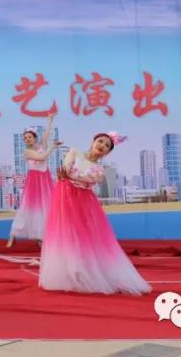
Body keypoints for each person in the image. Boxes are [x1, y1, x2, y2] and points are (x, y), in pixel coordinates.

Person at [38, 132, 150, 295]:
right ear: (93, 141)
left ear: (107, 152)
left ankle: (85, 273)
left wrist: (67, 175)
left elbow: (82, 178)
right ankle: (67, 273)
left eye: (107, 145)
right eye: (100, 141)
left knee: (84, 236)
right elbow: (65, 170)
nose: (102, 145)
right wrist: (64, 175)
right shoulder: (74, 152)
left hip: (84, 203)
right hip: (64, 197)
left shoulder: (100, 170)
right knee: (65, 234)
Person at [8, 112, 62, 247]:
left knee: (46, 208)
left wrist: (50, 120)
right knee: (29, 208)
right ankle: (13, 235)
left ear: (34, 138)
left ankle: (40, 237)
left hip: (45, 179)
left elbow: (47, 134)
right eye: (25, 138)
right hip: (34, 181)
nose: (27, 139)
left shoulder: (41, 145)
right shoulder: (27, 152)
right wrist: (53, 147)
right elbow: (42, 157)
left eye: (29, 137)